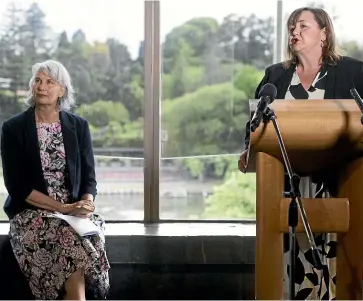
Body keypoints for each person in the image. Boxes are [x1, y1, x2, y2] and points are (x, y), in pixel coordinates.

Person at [238, 7, 363, 300]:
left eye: (303, 26)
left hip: (338, 184)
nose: (295, 31)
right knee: (291, 267)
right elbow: (256, 122)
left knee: (336, 265)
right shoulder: (276, 76)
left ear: (324, 33)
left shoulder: (353, 72)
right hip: (285, 186)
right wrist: (248, 148)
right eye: (292, 26)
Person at [0, 60, 110, 300]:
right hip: (31, 214)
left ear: (63, 90)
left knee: (78, 232)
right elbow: (17, 187)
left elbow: (89, 179)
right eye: (38, 80)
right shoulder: (13, 128)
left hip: (73, 213)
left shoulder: (78, 126)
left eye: (50, 82)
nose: (42, 87)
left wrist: (86, 204)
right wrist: (63, 208)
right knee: (67, 232)